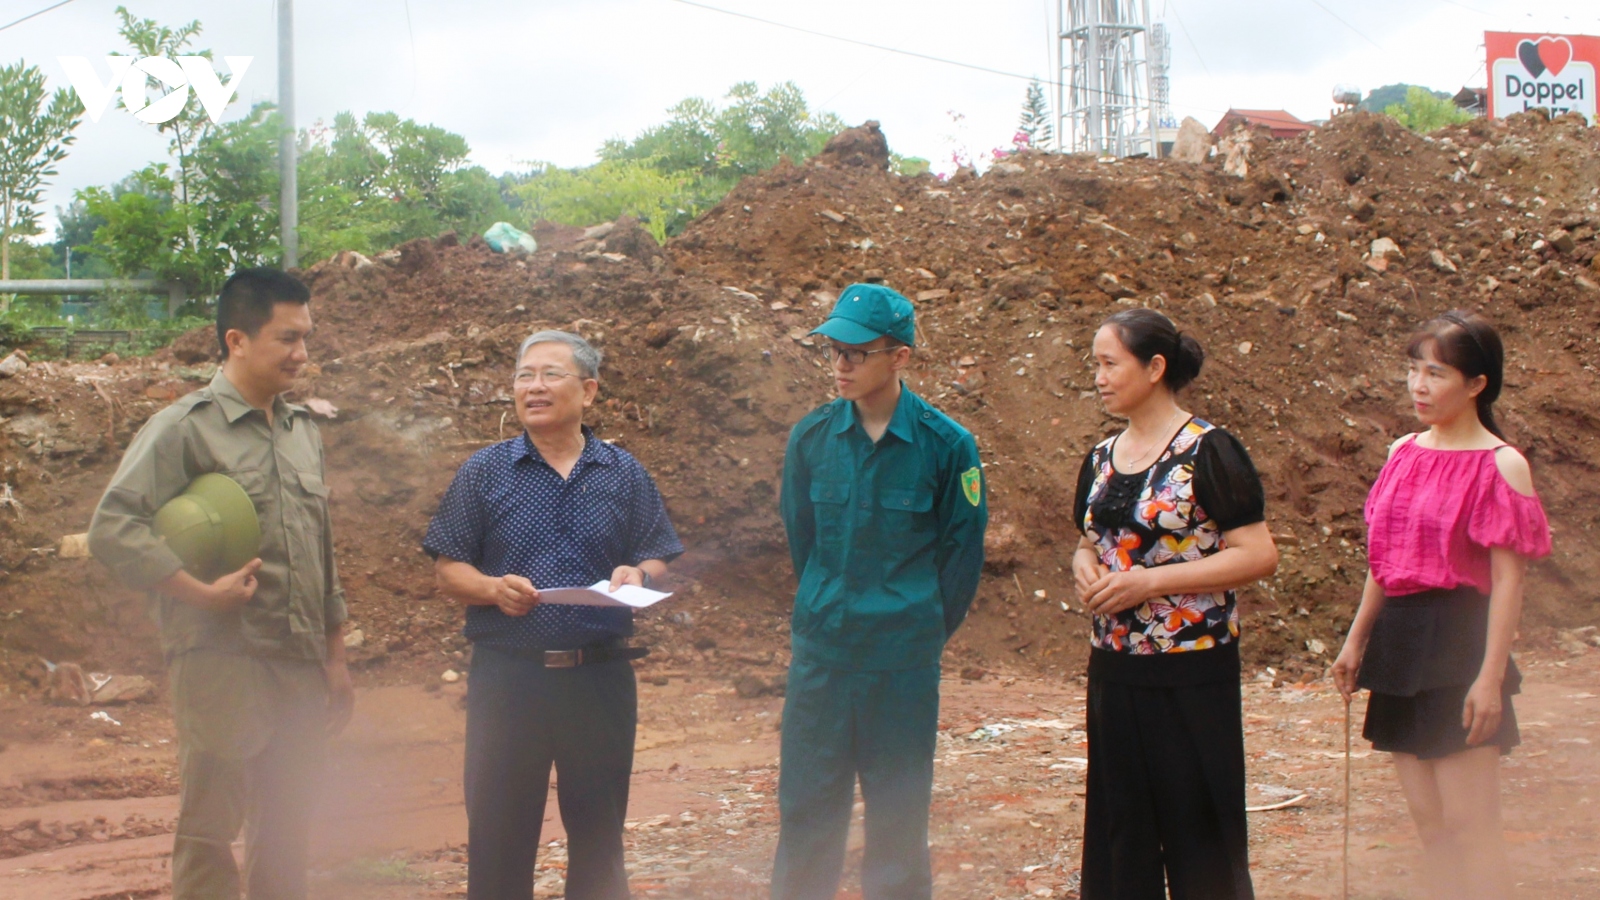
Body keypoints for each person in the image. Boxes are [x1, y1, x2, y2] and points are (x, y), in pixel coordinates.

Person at [88, 268, 351, 900]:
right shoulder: (183, 427)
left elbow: (320, 549)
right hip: (220, 661)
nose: (302, 353)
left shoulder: (301, 431)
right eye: (287, 338)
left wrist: (336, 657)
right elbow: (113, 528)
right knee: (210, 833)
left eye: (306, 337)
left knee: (286, 831)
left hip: (297, 661)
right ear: (237, 339)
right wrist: (199, 594)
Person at [424, 330, 683, 900]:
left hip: (599, 678)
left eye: (549, 375)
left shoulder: (622, 472)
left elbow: (657, 552)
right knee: (498, 835)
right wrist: (492, 589)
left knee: (599, 838)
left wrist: (639, 574)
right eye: (524, 376)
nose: (533, 387)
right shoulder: (484, 471)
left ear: (588, 391)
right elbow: (448, 568)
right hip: (509, 680)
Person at [772, 283, 988, 900]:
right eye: (834, 351)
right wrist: (829, 606)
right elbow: (803, 540)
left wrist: (917, 627)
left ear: (900, 357)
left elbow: (961, 556)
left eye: (856, 353)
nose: (840, 365)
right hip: (823, 661)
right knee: (807, 814)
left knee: (897, 822)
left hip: (901, 667)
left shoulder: (947, 446)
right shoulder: (812, 439)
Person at [1333, 311, 1548, 900]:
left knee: (1471, 826)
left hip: (1459, 642)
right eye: (1413, 370)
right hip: (1399, 642)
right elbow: (1386, 558)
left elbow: (1508, 581)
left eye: (1436, 373)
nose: (1418, 386)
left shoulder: (1502, 463)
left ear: (1476, 383)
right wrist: (1356, 640)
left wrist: (1490, 677)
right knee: (1431, 826)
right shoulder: (1402, 451)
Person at [1070, 308, 1279, 900]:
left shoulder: (1209, 450)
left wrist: (1150, 584)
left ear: (1155, 367)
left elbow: (1259, 554)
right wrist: (1084, 567)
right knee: (1121, 831)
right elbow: (1087, 543)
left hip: (1191, 669)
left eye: (1110, 364)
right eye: (1095, 365)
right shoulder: (1101, 457)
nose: (1099, 378)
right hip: (1115, 667)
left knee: (1199, 832)